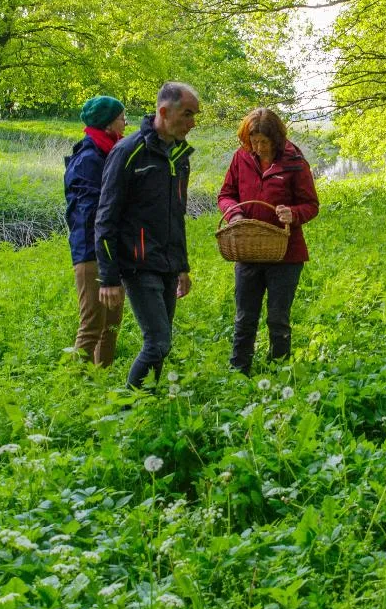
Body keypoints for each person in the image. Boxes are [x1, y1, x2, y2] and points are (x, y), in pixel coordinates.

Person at [95, 81, 200, 388]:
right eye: (187, 114)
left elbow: (176, 215)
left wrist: (182, 266)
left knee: (161, 345)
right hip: (137, 263)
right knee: (158, 343)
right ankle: (128, 407)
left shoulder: (179, 156)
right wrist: (109, 277)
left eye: (195, 116)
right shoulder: (128, 152)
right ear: (164, 112)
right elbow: (105, 218)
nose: (192, 123)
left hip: (167, 262)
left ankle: (146, 407)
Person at [217, 106, 319, 374]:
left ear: (276, 139)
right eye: (254, 141)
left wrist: (292, 213)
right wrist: (235, 214)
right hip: (248, 251)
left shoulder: (294, 161)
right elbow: (225, 194)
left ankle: (279, 372)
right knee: (244, 317)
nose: (259, 147)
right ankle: (239, 370)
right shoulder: (241, 158)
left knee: (278, 318)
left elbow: (311, 204)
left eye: (264, 142)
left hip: (286, 253)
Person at [64, 95, 127, 366]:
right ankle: (77, 389)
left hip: (111, 252)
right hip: (91, 252)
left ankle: (102, 382)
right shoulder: (88, 158)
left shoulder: (109, 151)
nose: (126, 121)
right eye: (121, 117)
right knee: (92, 323)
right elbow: (90, 212)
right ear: (108, 123)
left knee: (111, 325)